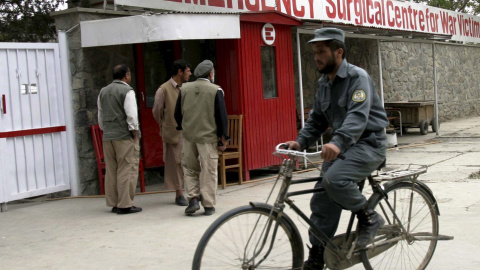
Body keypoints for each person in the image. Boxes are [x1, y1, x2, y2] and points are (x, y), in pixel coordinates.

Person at [283, 28, 389, 269]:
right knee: (321, 199)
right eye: (314, 53)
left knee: (334, 180)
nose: (316, 57)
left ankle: (370, 218)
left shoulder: (357, 78)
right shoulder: (324, 83)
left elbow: (357, 117)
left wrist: (337, 142)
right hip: (344, 148)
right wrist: (300, 142)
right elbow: (317, 120)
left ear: (338, 52)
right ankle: (318, 255)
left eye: (321, 52)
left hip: (369, 144)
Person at [174, 60, 229, 216]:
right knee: (208, 170)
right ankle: (209, 205)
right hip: (208, 137)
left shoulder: (184, 89)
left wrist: (182, 127)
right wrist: (223, 137)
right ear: (211, 73)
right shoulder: (216, 90)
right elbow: (221, 116)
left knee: (189, 168)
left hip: (189, 135)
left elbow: (177, 113)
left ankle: (192, 199)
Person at [97, 64, 142, 215]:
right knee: (127, 169)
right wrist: (135, 134)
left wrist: (106, 130)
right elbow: (131, 115)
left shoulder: (103, 91)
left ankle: (114, 202)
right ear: (126, 75)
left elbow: (101, 115)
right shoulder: (127, 91)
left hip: (108, 136)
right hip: (123, 136)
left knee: (112, 170)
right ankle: (125, 204)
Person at [152, 59, 192, 206]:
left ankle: (190, 190)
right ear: (180, 72)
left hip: (188, 131)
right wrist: (165, 124)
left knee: (188, 161)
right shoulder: (163, 89)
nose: (190, 74)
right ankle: (179, 193)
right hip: (173, 132)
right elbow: (157, 111)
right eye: (188, 71)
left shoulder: (186, 88)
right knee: (176, 162)